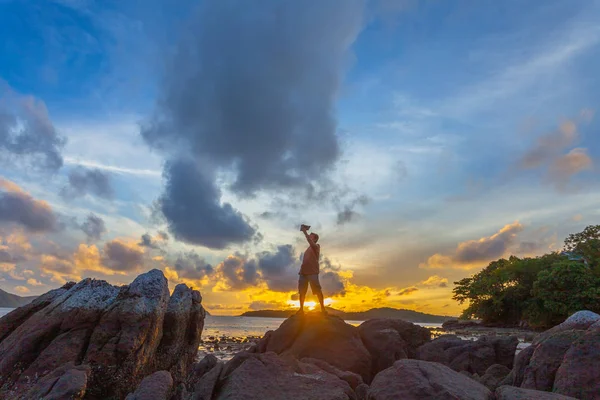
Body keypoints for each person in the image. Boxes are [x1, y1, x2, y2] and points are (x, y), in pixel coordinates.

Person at [297, 225, 327, 315]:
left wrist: (304, 231)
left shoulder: (316, 246)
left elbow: (309, 241)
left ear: (314, 239)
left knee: (317, 290)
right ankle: (301, 310)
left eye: (311, 235)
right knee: (302, 292)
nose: (309, 236)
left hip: (312, 272)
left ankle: (323, 309)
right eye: (309, 235)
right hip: (303, 273)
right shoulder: (308, 249)